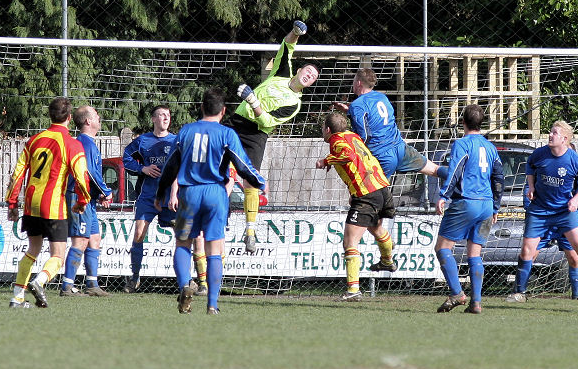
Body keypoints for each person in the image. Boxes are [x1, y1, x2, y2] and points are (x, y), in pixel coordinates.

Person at [156, 88, 265, 315]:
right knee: (214, 250)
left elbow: (170, 166)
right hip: (215, 194)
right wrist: (260, 182)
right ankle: (212, 305)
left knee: (183, 243)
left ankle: (186, 285)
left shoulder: (186, 131)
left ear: (201, 108)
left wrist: (161, 193)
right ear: (223, 111)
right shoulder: (227, 134)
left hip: (190, 194)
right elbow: (243, 166)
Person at [225, 20, 318, 253]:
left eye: (313, 77)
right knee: (220, 170)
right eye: (308, 71)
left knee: (251, 181)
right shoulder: (281, 72)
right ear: (299, 71)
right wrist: (296, 33)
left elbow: (266, 121)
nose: (309, 75)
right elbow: (287, 46)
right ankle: (219, 214)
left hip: (255, 135)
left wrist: (252, 100)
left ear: (311, 84)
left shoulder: (294, 104)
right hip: (236, 123)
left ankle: (250, 231)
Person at [507, 122, 578, 305]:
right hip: (539, 211)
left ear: (564, 139)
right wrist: (530, 186)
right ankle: (519, 293)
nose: (550, 135)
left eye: (555, 133)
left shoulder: (575, 160)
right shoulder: (539, 154)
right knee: (526, 252)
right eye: (551, 131)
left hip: (564, 211)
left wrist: (576, 199)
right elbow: (530, 166)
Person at [5, 97, 91, 308]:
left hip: (31, 203)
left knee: (32, 249)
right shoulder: (72, 144)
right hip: (53, 205)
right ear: (69, 118)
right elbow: (81, 177)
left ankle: (17, 297)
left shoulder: (34, 140)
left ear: (50, 115)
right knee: (58, 255)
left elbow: (17, 174)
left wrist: (12, 203)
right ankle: (40, 281)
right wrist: (83, 200)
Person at [123, 105, 208, 295]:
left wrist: (175, 192)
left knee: (186, 238)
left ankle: (191, 282)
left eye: (168, 115)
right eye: (161, 115)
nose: (165, 118)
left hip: (173, 198)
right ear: (153, 119)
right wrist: (142, 169)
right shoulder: (142, 140)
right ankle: (134, 278)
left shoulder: (176, 140)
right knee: (138, 233)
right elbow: (126, 158)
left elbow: (185, 166)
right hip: (148, 197)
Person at [316, 112, 398, 302]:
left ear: (328, 130)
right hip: (381, 188)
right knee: (375, 228)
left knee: (350, 241)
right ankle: (387, 261)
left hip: (367, 193)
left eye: (322, 128)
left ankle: (353, 290)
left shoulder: (336, 141)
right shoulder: (353, 136)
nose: (323, 131)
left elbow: (348, 155)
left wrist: (326, 161)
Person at [434, 104, 503, 314]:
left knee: (442, 247)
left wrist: (444, 195)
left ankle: (457, 293)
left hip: (467, 202)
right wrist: (496, 207)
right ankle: (476, 303)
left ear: (463, 122)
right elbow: (499, 178)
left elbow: (455, 171)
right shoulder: (491, 148)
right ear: (481, 123)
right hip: (486, 205)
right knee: (475, 253)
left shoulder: (462, 144)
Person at [332, 68, 444, 182]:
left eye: (354, 80)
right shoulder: (382, 97)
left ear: (359, 82)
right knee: (434, 169)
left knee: (365, 195)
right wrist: (349, 111)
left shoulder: (357, 105)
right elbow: (375, 117)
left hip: (382, 156)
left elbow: (364, 136)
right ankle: (460, 175)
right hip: (400, 148)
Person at [60, 106, 113, 297]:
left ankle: (92, 284)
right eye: (96, 116)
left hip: (88, 197)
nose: (99, 118)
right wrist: (106, 192)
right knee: (80, 240)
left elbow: (90, 175)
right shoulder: (85, 143)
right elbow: (89, 172)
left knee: (94, 239)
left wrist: (98, 194)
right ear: (88, 121)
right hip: (78, 196)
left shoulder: (89, 142)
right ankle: (67, 286)